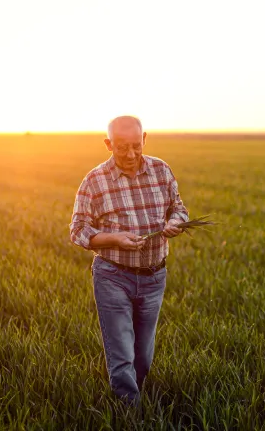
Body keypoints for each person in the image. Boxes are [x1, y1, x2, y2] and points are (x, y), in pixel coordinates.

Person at [69, 115, 189, 404]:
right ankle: (129, 413)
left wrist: (176, 224)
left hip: (154, 277)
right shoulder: (94, 181)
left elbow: (180, 210)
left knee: (143, 355)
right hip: (113, 276)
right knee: (121, 354)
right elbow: (78, 231)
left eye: (136, 145)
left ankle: (139, 396)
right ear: (108, 144)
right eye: (122, 147)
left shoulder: (161, 170)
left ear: (144, 139)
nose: (131, 154)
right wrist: (115, 238)